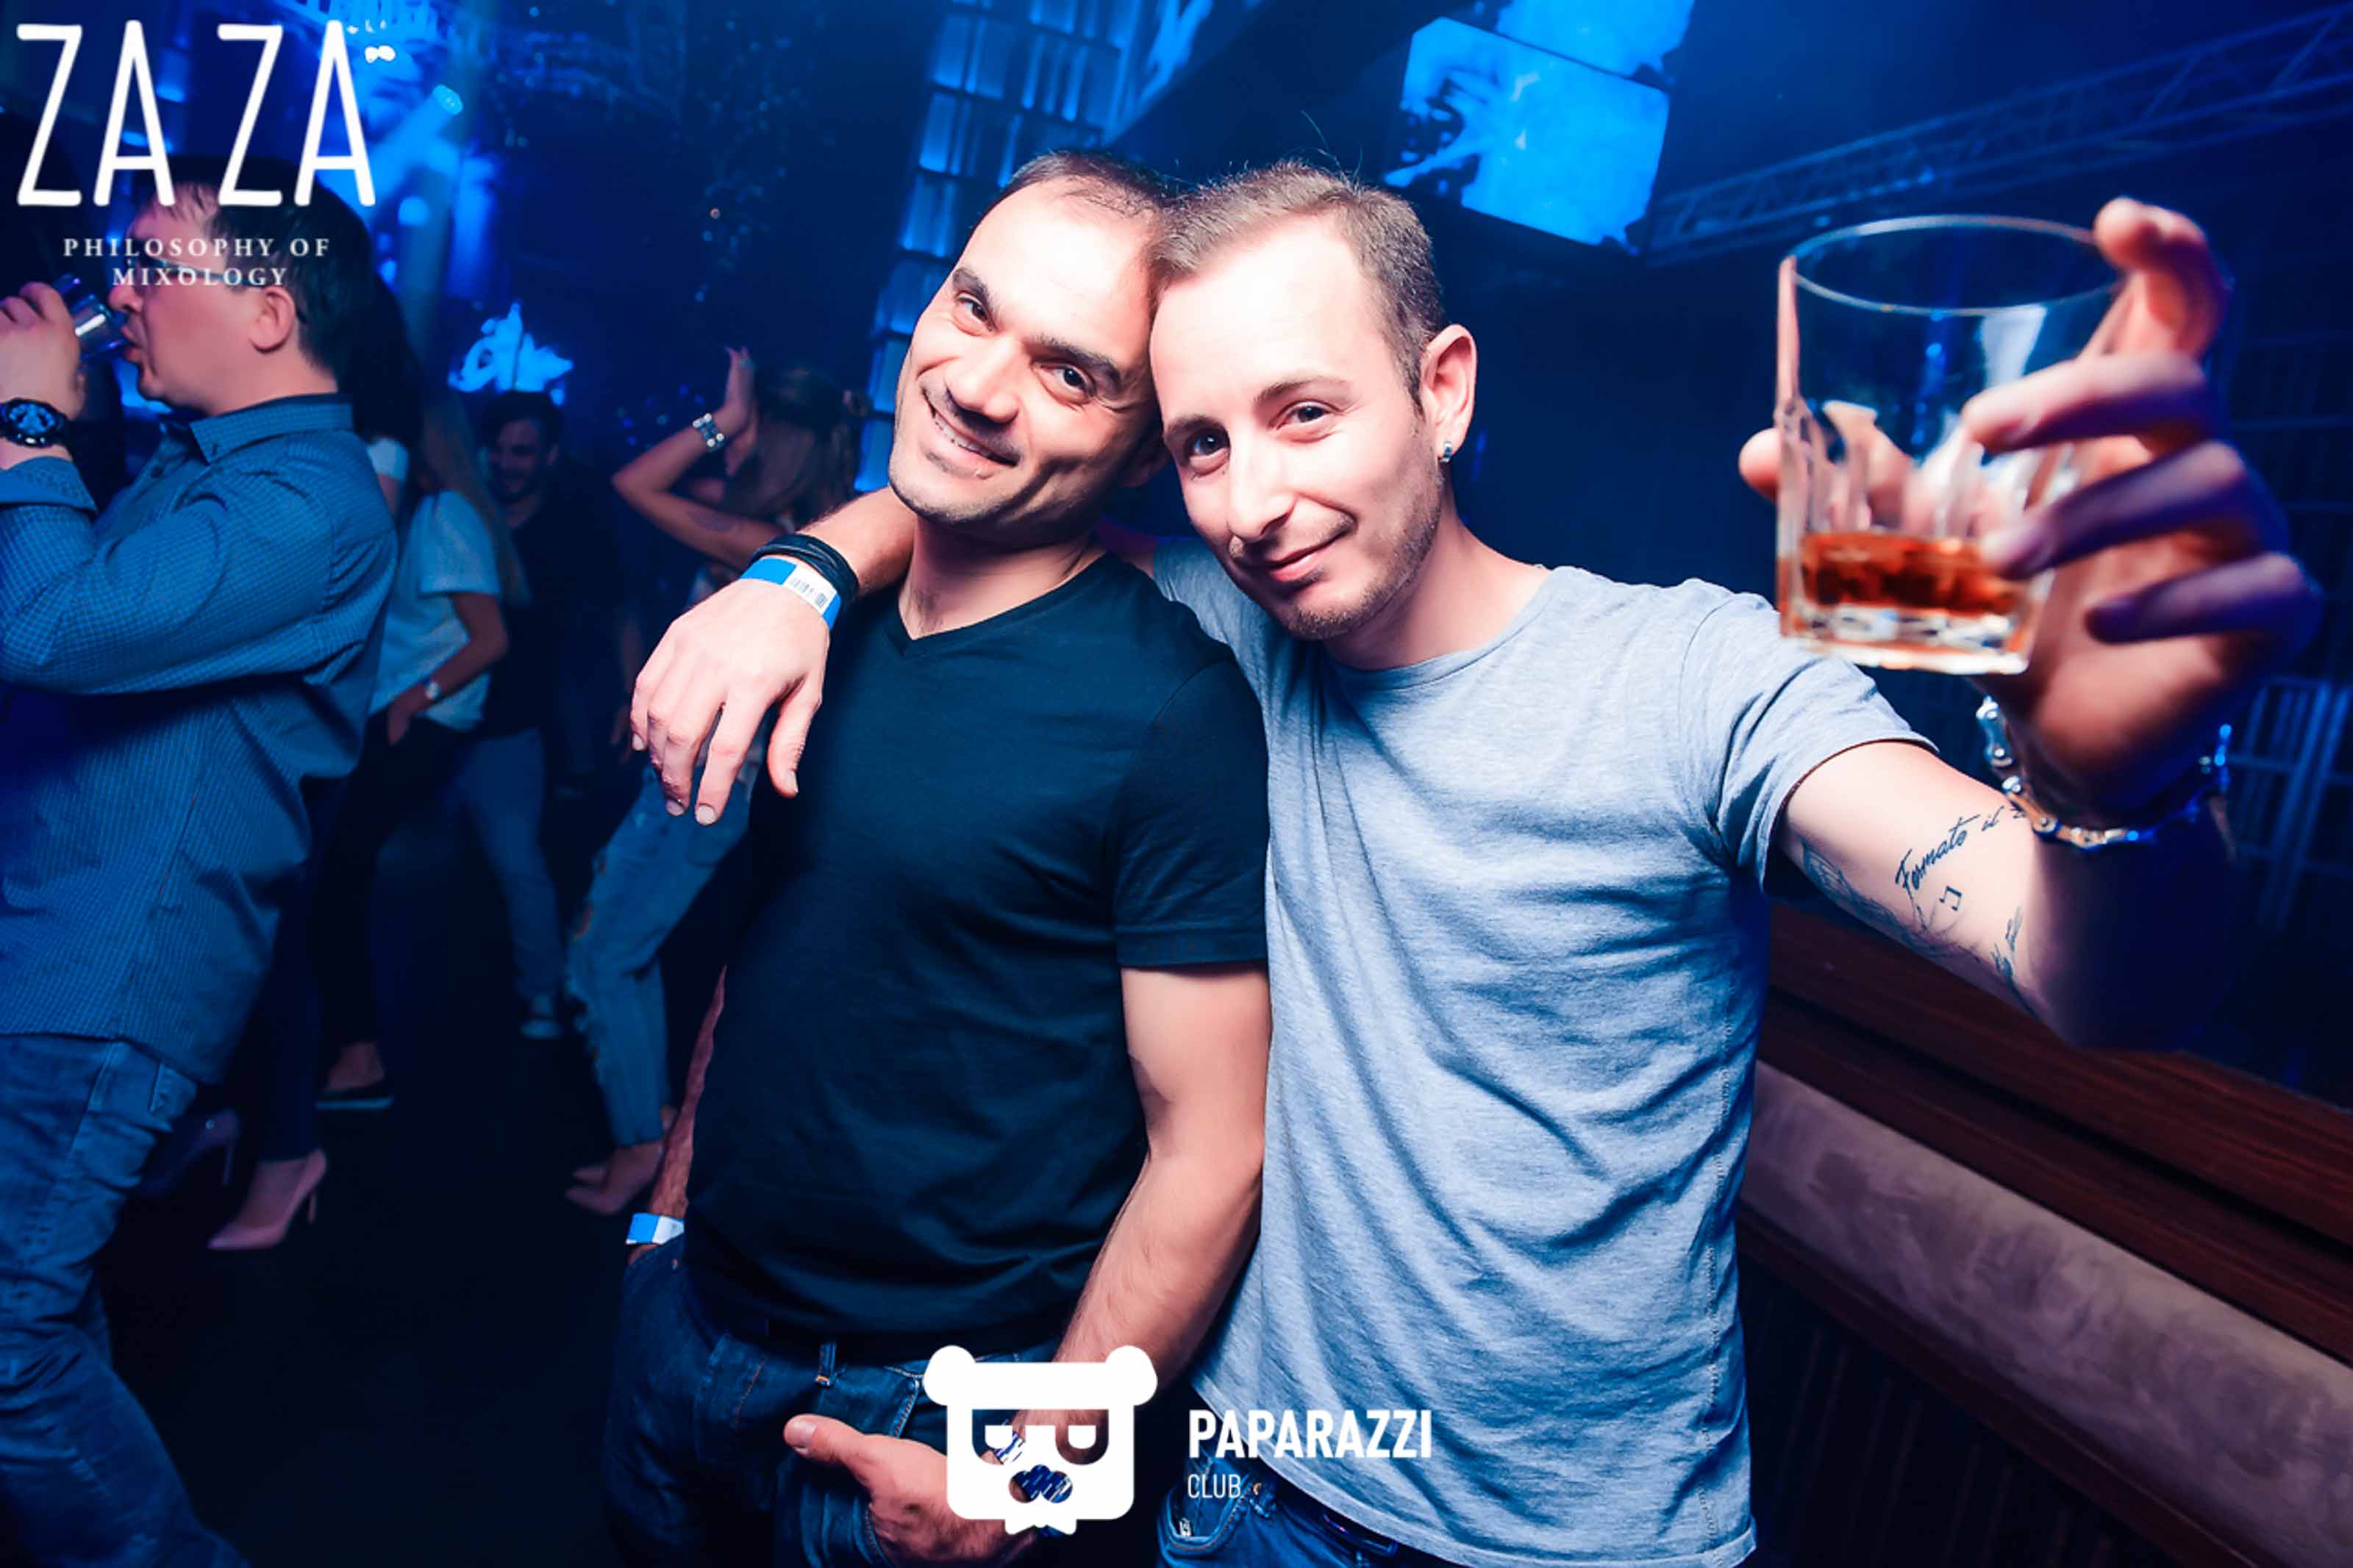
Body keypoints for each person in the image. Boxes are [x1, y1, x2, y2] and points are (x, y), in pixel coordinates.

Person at [632, 165, 2319, 1567]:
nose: (1256, 499)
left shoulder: (1688, 678)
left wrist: (2115, 780)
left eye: (1307, 413)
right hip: (1226, 1490)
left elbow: (2089, 974)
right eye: (1206, 443)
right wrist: (795, 577)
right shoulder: (1221, 619)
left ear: (1443, 386)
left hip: (1562, 1544)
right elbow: (968, 480)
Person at [601, 152, 1274, 1568]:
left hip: (920, 1405)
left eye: (1071, 373)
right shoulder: (828, 623)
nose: (976, 384)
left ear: (1144, 449)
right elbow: (787, 939)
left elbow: (1211, 1150)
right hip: (687, 1326)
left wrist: (1032, 1476)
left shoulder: (1173, 711)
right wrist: (666, 1221)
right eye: (973, 306)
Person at [0, 158, 393, 1567]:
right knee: (34, 1312)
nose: (120, 292)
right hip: (52, 945)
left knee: (7, 1343)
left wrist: (29, 422)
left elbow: (48, 628)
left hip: (105, 978)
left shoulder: (313, 503)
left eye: (154, 266)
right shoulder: (194, 467)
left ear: (272, 310)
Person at [564, 353, 865, 1215]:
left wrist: (720, 419)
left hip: (711, 784)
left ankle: (640, 1140)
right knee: (609, 951)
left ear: (781, 444)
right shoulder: (795, 532)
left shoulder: (774, 547)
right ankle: (641, 1127)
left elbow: (635, 485)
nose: (729, 450)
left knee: (603, 956)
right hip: (702, 775)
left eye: (746, 435)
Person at [206, 273, 426, 1242]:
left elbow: (331, 576)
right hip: (265, 721)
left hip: (317, 726)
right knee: (238, 939)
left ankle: (288, 1153)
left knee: (282, 940)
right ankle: (232, 1121)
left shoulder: (364, 457)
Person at [312, 389, 517, 1109]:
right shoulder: (426, 512)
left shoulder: (446, 514)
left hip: (424, 720)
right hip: (401, 714)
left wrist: (412, 699)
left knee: (338, 875)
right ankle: (350, 1045)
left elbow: (491, 639)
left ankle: (360, 1054)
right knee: (338, 875)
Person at [479, 390, 643, 816]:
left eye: (521, 452)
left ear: (550, 455)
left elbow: (622, 610)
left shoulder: (575, 526)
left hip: (535, 726)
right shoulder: (465, 515)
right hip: (456, 714)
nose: (505, 464)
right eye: (496, 449)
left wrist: (630, 697)